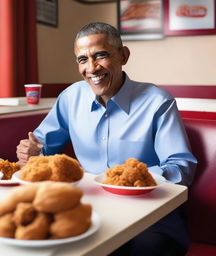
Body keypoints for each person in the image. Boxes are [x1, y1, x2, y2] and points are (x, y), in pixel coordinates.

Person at [16, 22, 197, 255]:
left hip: (150, 213)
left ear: (124, 55)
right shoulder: (71, 97)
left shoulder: (158, 101)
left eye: (101, 55)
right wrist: (31, 152)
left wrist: (127, 180)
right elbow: (41, 149)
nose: (91, 68)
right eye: (82, 59)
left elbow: (182, 168)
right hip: (89, 207)